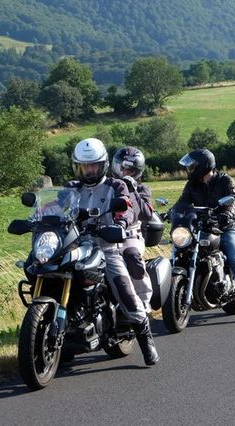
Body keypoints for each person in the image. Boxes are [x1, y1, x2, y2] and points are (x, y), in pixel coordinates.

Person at [68, 138, 159, 365]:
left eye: (93, 166)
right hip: (75, 246)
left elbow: (127, 207)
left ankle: (146, 339)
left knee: (124, 289)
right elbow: (54, 206)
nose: (88, 171)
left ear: (103, 165)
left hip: (105, 247)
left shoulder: (115, 186)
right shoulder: (71, 188)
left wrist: (120, 224)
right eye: (84, 166)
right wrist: (37, 219)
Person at [171, 149, 235, 323]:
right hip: (201, 227)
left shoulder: (224, 180)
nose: (189, 169)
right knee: (181, 251)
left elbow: (234, 199)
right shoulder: (192, 184)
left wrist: (227, 213)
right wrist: (171, 212)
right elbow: (182, 202)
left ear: (203, 166)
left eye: (192, 166)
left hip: (226, 228)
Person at [112, 146, 154, 312]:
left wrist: (132, 189)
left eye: (128, 170)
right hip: (105, 235)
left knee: (131, 256)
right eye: (121, 168)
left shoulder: (142, 189)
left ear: (137, 172)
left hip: (130, 236)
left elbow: (146, 214)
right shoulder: (108, 186)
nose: (123, 173)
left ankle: (143, 301)